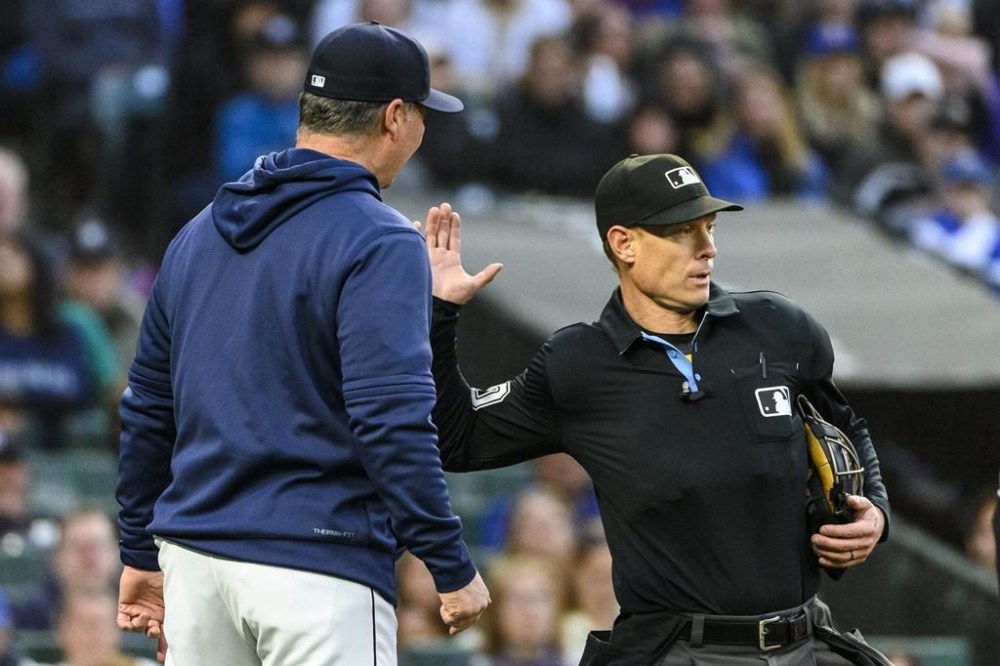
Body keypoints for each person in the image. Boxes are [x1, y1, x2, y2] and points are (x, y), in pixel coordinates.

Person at [115, 21, 489, 666]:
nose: (425, 130)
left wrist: (139, 551)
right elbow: (389, 419)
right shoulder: (379, 238)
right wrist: (449, 561)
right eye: (424, 113)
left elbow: (147, 408)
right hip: (320, 562)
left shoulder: (198, 233)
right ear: (394, 117)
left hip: (195, 560)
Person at [421, 153, 892, 663]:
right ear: (623, 243)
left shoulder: (778, 328)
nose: (707, 249)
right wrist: (440, 313)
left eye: (709, 228)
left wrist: (877, 514)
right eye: (682, 231)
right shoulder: (580, 364)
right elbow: (456, 438)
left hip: (806, 640)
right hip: (679, 652)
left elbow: (844, 426)